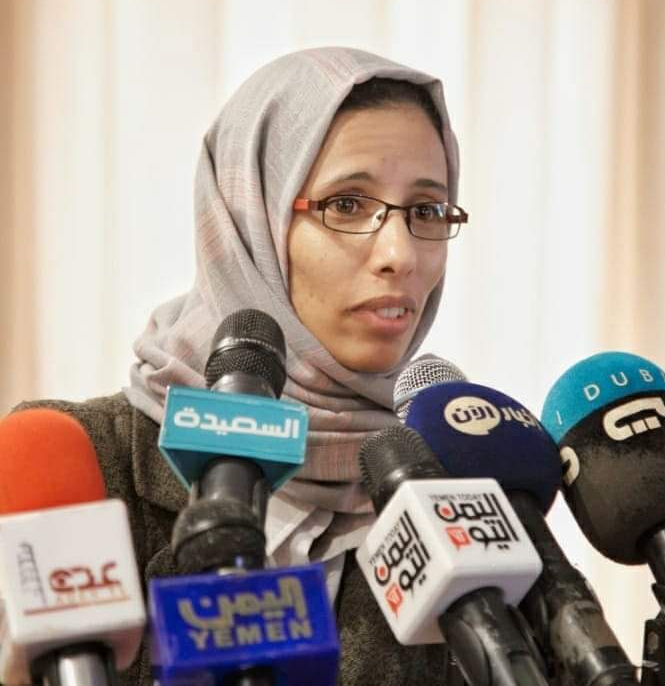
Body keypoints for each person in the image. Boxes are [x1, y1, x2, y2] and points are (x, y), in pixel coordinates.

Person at [13, 47, 467, 685]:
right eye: (347, 204)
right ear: (248, 217)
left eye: (426, 211)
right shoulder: (78, 471)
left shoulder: (453, 496)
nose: (401, 254)